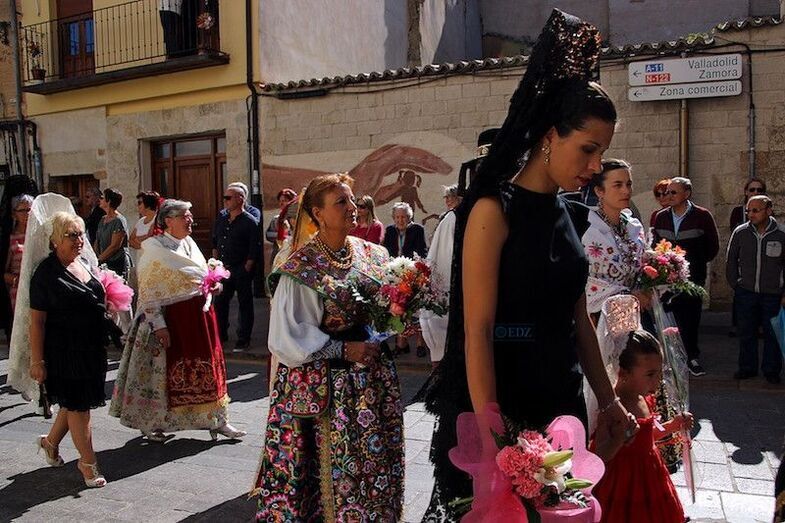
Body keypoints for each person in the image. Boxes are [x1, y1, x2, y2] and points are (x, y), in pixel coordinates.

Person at [421, 10, 636, 520]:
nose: (594, 167)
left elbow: (579, 320)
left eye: (602, 154)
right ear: (549, 136)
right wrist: (494, 436)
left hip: (561, 401)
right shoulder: (493, 211)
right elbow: (477, 330)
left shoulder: (570, 214)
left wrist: (608, 402)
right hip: (506, 403)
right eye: (588, 150)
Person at [252, 173, 404, 521]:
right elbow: (287, 337)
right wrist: (342, 349)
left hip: (372, 380)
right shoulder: (301, 268)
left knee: (374, 466)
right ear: (318, 213)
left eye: (352, 200)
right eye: (341, 202)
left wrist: (401, 315)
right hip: (327, 388)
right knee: (329, 472)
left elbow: (385, 304)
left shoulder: (372, 253)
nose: (352, 208)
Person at [110, 199, 246, 442]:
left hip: (199, 319)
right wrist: (159, 326)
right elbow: (149, 291)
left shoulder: (189, 244)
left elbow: (198, 277)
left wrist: (213, 285)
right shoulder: (154, 249)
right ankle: (153, 423)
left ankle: (217, 420)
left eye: (190, 215)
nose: (190, 220)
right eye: (185, 216)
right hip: (170, 321)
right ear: (168, 221)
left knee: (208, 369)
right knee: (161, 377)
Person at [582, 160, 685, 472]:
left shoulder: (633, 226)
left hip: (632, 319)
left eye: (628, 183)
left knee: (633, 377)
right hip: (597, 322)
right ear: (599, 191)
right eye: (617, 184)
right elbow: (586, 282)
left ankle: (638, 449)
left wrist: (657, 278)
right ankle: (600, 453)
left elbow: (641, 269)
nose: (626, 190)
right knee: (604, 381)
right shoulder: (587, 228)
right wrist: (628, 295)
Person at [29, 210, 112, 488]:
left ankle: (50, 443)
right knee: (79, 407)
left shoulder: (84, 263)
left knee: (76, 402)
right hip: (64, 350)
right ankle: (88, 463)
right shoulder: (45, 273)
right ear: (55, 241)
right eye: (72, 235)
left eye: (81, 234)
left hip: (91, 347)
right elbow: (37, 321)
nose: (79, 240)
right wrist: (37, 361)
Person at [591, 320, 690, 522]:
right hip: (621, 483)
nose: (657, 380)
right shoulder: (612, 408)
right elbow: (599, 455)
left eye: (659, 373)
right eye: (650, 374)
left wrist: (673, 425)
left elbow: (646, 436)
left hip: (650, 476)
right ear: (624, 373)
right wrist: (619, 439)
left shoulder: (643, 398)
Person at [652, 177, 719, 377]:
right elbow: (656, 245)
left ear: (687, 194)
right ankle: (670, 359)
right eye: (667, 192)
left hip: (692, 278)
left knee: (690, 319)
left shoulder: (702, 216)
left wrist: (695, 264)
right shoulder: (661, 217)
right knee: (669, 318)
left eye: (673, 192)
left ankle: (691, 357)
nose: (668, 196)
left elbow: (712, 247)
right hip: (667, 279)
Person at [725, 195, 785, 384]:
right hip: (746, 292)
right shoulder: (741, 232)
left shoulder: (781, 234)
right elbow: (731, 259)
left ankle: (771, 370)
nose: (751, 214)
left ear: (768, 211)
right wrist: (736, 284)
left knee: (772, 333)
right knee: (746, 332)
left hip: (773, 294)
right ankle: (747, 368)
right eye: (748, 211)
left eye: (755, 210)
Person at [212, 184, 260, 351]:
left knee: (244, 303)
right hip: (223, 268)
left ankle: (243, 338)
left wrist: (247, 266)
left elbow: (254, 246)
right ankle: (220, 334)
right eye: (224, 197)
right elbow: (216, 241)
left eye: (228, 198)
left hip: (240, 268)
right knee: (220, 302)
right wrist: (215, 262)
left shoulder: (249, 221)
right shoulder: (222, 218)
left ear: (240, 199)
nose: (225, 201)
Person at [420, 186, 462, 365]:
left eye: (451, 196)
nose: (448, 200)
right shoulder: (450, 219)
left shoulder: (453, 218)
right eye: (446, 197)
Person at [382, 202, 428, 355]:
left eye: (403, 217)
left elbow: (421, 252)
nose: (400, 220)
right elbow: (386, 252)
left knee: (417, 309)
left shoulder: (417, 229)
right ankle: (402, 343)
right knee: (398, 308)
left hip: (412, 273)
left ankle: (420, 344)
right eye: (397, 217)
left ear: (409, 217)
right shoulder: (390, 230)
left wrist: (413, 269)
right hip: (395, 274)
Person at [4, 194, 33, 313]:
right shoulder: (9, 239)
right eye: (22, 210)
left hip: (39, 289)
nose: (27, 214)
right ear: (14, 214)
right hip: (19, 291)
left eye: (29, 209)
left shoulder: (39, 236)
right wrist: (18, 281)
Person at [94, 188, 130, 280]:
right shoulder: (102, 219)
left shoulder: (118, 220)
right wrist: (95, 256)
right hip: (104, 263)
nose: (100, 200)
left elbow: (115, 246)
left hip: (116, 263)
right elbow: (97, 240)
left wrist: (99, 259)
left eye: (102, 198)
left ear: (109, 201)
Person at [128, 191, 161, 285]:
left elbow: (152, 237)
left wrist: (139, 240)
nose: (138, 206)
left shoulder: (157, 220)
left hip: (153, 259)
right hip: (140, 258)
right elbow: (130, 240)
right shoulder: (141, 221)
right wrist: (143, 243)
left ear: (148, 204)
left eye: (140, 203)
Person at [265, 187, 297, 265]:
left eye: (285, 201)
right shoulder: (276, 219)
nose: (281, 203)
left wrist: (289, 236)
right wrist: (281, 235)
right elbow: (268, 235)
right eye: (280, 201)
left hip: (293, 256)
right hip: (278, 255)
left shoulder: (298, 219)